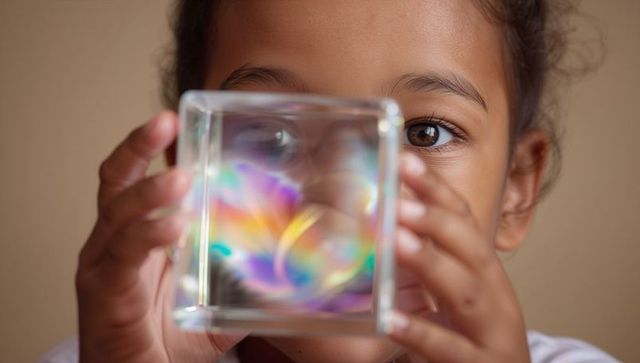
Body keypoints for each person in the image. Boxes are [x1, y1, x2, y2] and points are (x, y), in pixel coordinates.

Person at [41, 0, 619, 362]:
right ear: (191, 168)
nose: (344, 193)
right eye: (271, 133)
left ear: (516, 188)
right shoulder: (106, 353)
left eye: (424, 134)